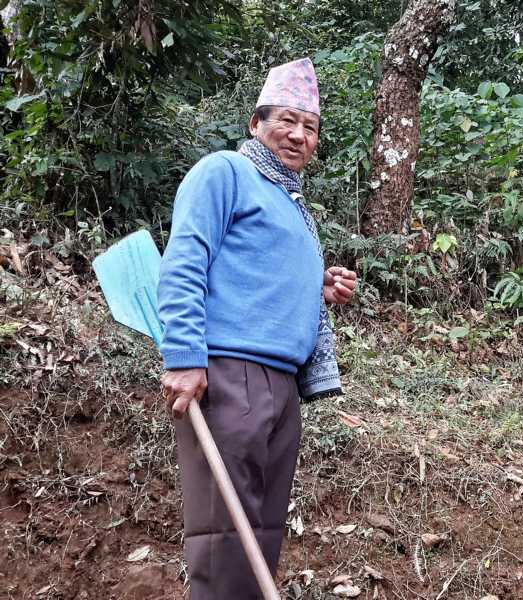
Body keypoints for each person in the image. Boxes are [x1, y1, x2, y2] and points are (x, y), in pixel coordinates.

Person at [157, 58, 357, 599]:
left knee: (262, 535)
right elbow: (185, 260)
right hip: (228, 376)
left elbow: (260, 273)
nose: (298, 135)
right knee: (224, 534)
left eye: (309, 127)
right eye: (286, 121)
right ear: (255, 123)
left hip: (283, 386)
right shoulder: (225, 172)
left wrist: (319, 285)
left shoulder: (293, 204)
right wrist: (182, 356)